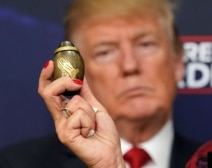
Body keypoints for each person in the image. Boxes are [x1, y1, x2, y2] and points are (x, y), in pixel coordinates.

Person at [0, 0, 201, 167]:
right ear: (78, 73)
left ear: (177, 62)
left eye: (145, 44)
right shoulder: (17, 163)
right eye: (105, 52)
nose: (130, 65)